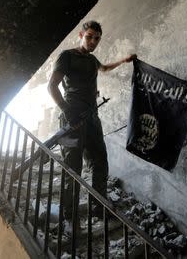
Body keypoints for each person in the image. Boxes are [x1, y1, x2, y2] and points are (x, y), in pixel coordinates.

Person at [48, 20, 136, 225]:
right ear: (81, 35)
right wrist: (69, 113)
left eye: (97, 38)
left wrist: (124, 61)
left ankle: (98, 209)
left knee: (100, 162)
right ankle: (69, 216)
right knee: (73, 167)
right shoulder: (67, 56)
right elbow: (52, 86)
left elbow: (104, 68)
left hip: (92, 119)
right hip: (71, 120)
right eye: (89, 37)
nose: (93, 41)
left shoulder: (92, 60)